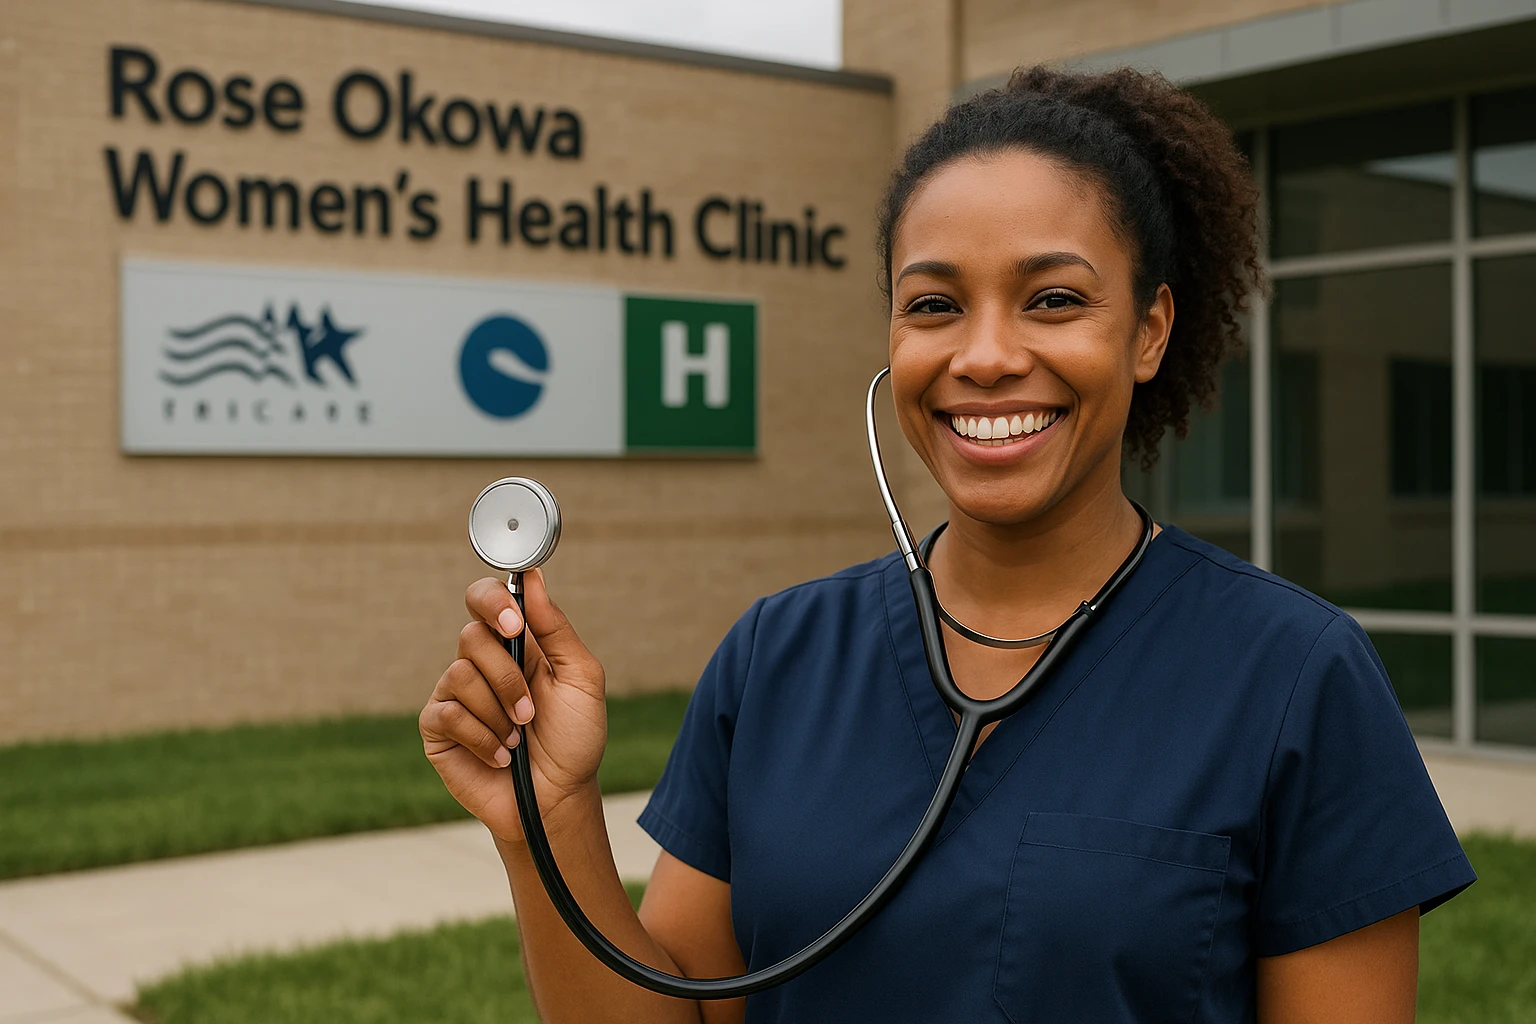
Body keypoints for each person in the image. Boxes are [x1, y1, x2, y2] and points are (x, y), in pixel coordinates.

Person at [419, 65, 1475, 1023]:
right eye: (933, 304)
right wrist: (547, 818)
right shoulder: (777, 656)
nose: (983, 355)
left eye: (1053, 299)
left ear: (1149, 331)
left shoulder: (1295, 676)